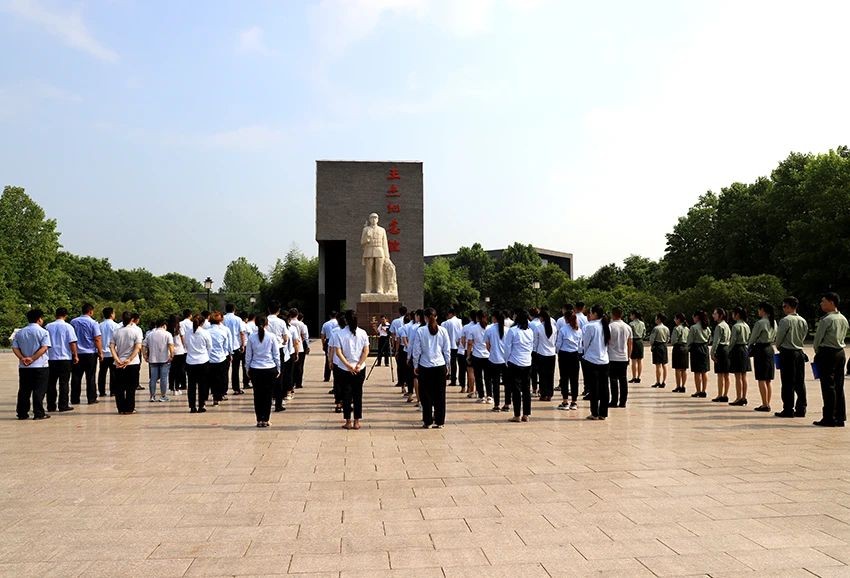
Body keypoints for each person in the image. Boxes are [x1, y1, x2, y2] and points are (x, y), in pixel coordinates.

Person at [812, 292, 849, 427]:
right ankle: (840, 417)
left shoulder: (827, 320)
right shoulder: (843, 318)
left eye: (823, 301)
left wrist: (818, 353)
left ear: (832, 302)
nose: (821, 304)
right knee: (839, 386)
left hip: (827, 353)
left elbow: (817, 340)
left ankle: (828, 417)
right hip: (840, 353)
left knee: (828, 386)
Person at [412, 308, 451, 428]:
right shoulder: (443, 331)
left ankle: (427, 421)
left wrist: (415, 365)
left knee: (426, 395)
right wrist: (448, 365)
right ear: (436, 317)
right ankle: (440, 421)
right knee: (440, 395)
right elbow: (447, 350)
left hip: (425, 366)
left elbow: (416, 351)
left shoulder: (421, 331)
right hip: (439, 365)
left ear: (425, 318)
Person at [13, 309, 51, 420]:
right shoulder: (43, 332)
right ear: (39, 319)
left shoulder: (20, 332)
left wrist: (22, 358)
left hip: (24, 366)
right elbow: (44, 347)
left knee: (24, 390)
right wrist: (33, 358)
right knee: (39, 390)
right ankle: (38, 413)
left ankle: (22, 413)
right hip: (40, 366)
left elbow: (15, 347)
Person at [335, 310, 370, 430]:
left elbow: (338, 352)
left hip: (344, 368)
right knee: (358, 394)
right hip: (360, 368)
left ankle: (348, 421)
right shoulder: (363, 333)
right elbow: (366, 351)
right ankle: (357, 421)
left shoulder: (339, 333)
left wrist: (348, 366)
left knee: (346, 395)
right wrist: (359, 364)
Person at [774, 297, 808, 418]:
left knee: (788, 382)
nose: (783, 309)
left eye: (784, 306)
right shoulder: (803, 320)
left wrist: (779, 347)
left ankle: (788, 409)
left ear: (788, 306)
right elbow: (804, 335)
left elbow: (779, 338)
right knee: (800, 382)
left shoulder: (785, 321)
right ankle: (801, 408)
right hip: (799, 352)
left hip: (787, 353)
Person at [245, 315, 281, 428]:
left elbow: (248, 355)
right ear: (266, 324)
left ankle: (259, 419)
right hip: (269, 368)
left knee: (257, 395)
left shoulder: (251, 338)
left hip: (255, 369)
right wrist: (278, 368)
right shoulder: (271, 336)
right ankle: (266, 419)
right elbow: (276, 354)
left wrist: (247, 368)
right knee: (268, 395)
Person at [109, 312, 144, 415]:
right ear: (132, 320)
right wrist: (129, 359)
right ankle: (129, 408)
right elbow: (138, 347)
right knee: (131, 388)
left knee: (119, 388)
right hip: (132, 363)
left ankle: (121, 408)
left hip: (119, 363)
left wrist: (117, 359)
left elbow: (111, 347)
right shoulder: (136, 331)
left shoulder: (116, 332)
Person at [45, 307, 78, 413]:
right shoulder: (68, 327)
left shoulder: (48, 326)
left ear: (55, 315)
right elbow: (72, 342)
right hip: (65, 358)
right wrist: (75, 355)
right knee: (64, 383)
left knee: (51, 383)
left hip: (51, 358)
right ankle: (63, 405)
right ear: (66, 315)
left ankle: (51, 405)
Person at [504, 309, 534, 422]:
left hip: (515, 362)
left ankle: (517, 415)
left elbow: (507, 348)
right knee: (526, 389)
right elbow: (531, 346)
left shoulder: (513, 331)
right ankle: (526, 414)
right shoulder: (530, 331)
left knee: (516, 390)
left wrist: (507, 360)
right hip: (527, 362)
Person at [70, 303, 103, 405]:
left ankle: (75, 399)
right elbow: (97, 338)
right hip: (90, 353)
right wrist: (100, 352)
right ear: (90, 312)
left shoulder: (73, 322)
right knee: (90, 376)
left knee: (76, 377)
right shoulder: (93, 323)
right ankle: (91, 398)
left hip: (77, 353)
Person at [583, 305, 611, 421]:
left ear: (595, 313)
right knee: (604, 387)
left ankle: (594, 413)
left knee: (594, 388)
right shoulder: (606, 326)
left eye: (590, 313)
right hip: (604, 360)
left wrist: (585, 354)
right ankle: (603, 413)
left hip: (592, 360)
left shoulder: (590, 326)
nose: (589, 315)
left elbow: (585, 344)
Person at [185, 313, 213, 414]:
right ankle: (201, 405)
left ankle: (192, 406)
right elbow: (209, 347)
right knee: (203, 385)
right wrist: (206, 355)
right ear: (202, 323)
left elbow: (186, 345)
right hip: (202, 361)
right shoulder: (205, 333)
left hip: (190, 361)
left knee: (191, 385)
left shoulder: (187, 333)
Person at [556, 309, 582, 410]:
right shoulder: (578, 330)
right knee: (574, 379)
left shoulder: (563, 329)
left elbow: (558, 344)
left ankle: (565, 401)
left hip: (564, 355)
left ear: (566, 319)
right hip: (575, 355)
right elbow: (580, 345)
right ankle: (574, 402)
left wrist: (558, 352)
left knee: (564, 378)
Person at [143, 319, 174, 402]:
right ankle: (163, 396)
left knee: (153, 378)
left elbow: (144, 345)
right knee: (164, 378)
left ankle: (152, 396)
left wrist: (145, 355)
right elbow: (171, 345)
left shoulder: (150, 334)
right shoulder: (167, 334)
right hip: (164, 359)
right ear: (164, 325)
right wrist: (172, 355)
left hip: (153, 359)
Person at [485, 311, 509, 412]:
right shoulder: (508, 330)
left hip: (494, 359)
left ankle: (497, 405)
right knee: (507, 383)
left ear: (495, 318)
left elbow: (487, 346)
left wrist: (494, 352)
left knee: (495, 383)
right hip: (506, 360)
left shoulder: (489, 330)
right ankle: (507, 404)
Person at [607, 308, 631, 407]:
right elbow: (630, 343)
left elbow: (607, 341)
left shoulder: (610, 326)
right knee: (623, 379)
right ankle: (623, 401)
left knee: (613, 380)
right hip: (623, 357)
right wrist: (628, 356)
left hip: (612, 357)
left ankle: (614, 400)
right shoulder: (627, 327)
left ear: (613, 314)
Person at [728, 307, 752, 407]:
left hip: (737, 350)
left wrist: (728, 350)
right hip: (745, 349)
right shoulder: (746, 326)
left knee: (738, 376)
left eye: (733, 313)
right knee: (744, 376)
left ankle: (738, 398)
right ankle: (744, 397)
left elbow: (733, 341)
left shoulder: (735, 326)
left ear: (737, 314)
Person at [208, 312, 232, 406]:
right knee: (221, 377)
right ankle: (219, 395)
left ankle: (214, 396)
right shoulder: (225, 330)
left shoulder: (206, 331)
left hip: (209, 358)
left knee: (212, 378)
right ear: (220, 320)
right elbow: (227, 345)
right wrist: (230, 354)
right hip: (221, 357)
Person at [466, 310, 491, 403]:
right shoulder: (489, 328)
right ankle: (490, 396)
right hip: (488, 355)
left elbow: (469, 343)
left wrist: (468, 355)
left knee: (479, 377)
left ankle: (481, 396)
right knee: (488, 377)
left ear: (477, 318)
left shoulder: (473, 328)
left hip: (477, 356)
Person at [532, 308, 557, 402]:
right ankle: (550, 394)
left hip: (541, 353)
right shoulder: (554, 328)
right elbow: (555, 341)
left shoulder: (538, 328)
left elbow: (535, 342)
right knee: (550, 375)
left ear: (541, 317)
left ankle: (543, 394)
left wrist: (534, 351)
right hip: (551, 353)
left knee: (542, 375)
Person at [224, 304, 246, 395]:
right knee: (235, 369)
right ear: (234, 310)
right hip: (236, 346)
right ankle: (236, 388)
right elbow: (241, 333)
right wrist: (243, 344)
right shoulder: (238, 319)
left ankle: (224, 390)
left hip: (225, 347)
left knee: (225, 369)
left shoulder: (223, 319)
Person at [688, 311, 711, 398]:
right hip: (705, 348)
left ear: (697, 317)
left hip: (696, 348)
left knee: (697, 372)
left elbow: (690, 340)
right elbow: (709, 339)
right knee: (704, 371)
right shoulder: (707, 328)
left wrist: (688, 348)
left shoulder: (693, 327)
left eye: (694, 317)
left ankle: (698, 390)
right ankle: (704, 391)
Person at [710, 308, 732, 403]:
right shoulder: (727, 326)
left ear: (720, 315)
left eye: (715, 314)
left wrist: (712, 353)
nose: (713, 315)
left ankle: (720, 395)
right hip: (727, 349)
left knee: (720, 374)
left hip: (720, 350)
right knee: (726, 374)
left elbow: (716, 342)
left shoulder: (719, 326)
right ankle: (725, 395)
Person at [98, 307, 120, 397]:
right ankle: (113, 391)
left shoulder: (99, 325)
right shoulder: (116, 326)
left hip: (102, 353)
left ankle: (102, 391)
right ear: (111, 314)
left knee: (102, 373)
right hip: (113, 353)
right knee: (113, 373)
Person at [441, 308, 463, 387]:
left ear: (450, 314)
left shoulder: (446, 323)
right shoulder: (460, 322)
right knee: (459, 364)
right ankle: (460, 380)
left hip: (449, 345)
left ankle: (452, 378)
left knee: (450, 362)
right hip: (459, 345)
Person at [649, 314, 670, 389]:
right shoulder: (666, 328)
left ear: (659, 319)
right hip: (664, 346)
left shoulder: (656, 328)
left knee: (658, 365)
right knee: (664, 365)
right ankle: (664, 381)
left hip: (657, 346)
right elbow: (668, 338)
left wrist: (652, 345)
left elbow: (652, 339)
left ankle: (658, 381)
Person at [290, 309, 309, 389]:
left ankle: (292, 382)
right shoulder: (301, 324)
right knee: (300, 366)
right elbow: (305, 336)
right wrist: (307, 345)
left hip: (290, 347)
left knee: (292, 366)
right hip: (300, 346)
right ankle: (298, 383)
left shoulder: (288, 323)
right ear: (297, 315)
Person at [671, 313, 690, 393]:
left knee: (677, 369)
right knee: (684, 369)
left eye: (675, 319)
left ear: (678, 319)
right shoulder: (687, 328)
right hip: (685, 347)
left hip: (678, 348)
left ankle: (678, 386)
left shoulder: (677, 328)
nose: (674, 320)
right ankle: (683, 386)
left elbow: (674, 341)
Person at [167, 314, 186, 395]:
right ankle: (177, 388)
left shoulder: (168, 329)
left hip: (171, 352)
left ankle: (171, 387)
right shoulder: (179, 328)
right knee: (179, 370)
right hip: (180, 351)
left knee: (171, 370)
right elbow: (183, 340)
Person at [389, 306, 406, 386]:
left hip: (398, 343)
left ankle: (401, 381)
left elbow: (392, 334)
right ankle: (407, 381)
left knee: (399, 364)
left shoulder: (395, 321)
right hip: (408, 343)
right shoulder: (410, 321)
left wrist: (393, 346)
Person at [628, 311, 645, 383]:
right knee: (640, 360)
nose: (630, 316)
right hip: (640, 341)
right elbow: (644, 333)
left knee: (634, 360)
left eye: (631, 315)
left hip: (634, 341)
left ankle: (634, 377)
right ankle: (639, 377)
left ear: (634, 315)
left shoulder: (631, 324)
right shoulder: (642, 323)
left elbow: (629, 335)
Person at [456, 314, 470, 393]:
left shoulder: (461, 329)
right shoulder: (472, 328)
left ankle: (463, 387)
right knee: (469, 371)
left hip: (461, 352)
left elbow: (458, 341)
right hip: (469, 352)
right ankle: (469, 387)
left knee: (462, 371)